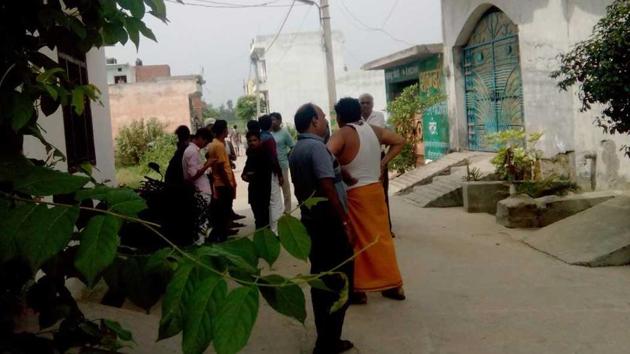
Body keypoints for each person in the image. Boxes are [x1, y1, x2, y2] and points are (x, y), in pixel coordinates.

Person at [290, 103, 355, 354]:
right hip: (330, 225)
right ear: (314, 122)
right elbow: (327, 187)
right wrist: (345, 223)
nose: (327, 121)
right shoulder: (316, 148)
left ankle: (325, 339)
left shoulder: (298, 149)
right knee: (341, 281)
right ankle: (329, 341)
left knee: (321, 280)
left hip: (312, 222)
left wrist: (345, 176)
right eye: (324, 117)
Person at [328, 97, 405, 304]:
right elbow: (399, 140)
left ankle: (358, 289)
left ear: (340, 117)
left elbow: (325, 155)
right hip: (375, 192)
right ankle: (392, 284)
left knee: (357, 242)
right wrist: (383, 162)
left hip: (355, 194)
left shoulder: (343, 133)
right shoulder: (374, 130)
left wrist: (342, 171)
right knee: (382, 239)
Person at [360, 93, 395, 237]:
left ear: (372, 104)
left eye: (367, 102)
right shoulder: (356, 118)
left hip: (378, 157)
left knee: (382, 193)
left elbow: (381, 135)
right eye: (362, 103)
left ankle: (387, 227)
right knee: (365, 193)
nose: (365, 105)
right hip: (362, 158)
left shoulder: (379, 116)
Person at [182, 128, 215, 243]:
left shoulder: (194, 151)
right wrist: (207, 165)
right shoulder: (192, 152)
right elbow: (193, 175)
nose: (205, 145)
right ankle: (200, 244)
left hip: (202, 190)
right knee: (202, 221)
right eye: (205, 141)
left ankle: (201, 242)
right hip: (200, 191)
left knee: (203, 220)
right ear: (200, 138)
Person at [207, 120, 238, 242]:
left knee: (223, 211)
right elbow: (220, 166)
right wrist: (228, 184)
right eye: (226, 128)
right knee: (224, 211)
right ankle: (222, 235)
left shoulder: (215, 143)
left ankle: (222, 233)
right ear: (224, 130)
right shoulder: (218, 145)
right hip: (222, 183)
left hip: (220, 182)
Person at [258, 115, 284, 234]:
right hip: (271, 172)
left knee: (268, 201)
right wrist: (279, 174)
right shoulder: (269, 138)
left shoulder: (259, 137)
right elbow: (274, 158)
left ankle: (271, 228)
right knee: (275, 201)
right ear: (270, 124)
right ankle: (276, 230)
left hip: (261, 173)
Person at [242, 130, 272, 229]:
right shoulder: (250, 154)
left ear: (259, 141)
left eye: (254, 140)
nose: (252, 143)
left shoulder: (265, 153)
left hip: (263, 191)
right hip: (253, 191)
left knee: (264, 218)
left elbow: (264, 172)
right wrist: (246, 175)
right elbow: (245, 172)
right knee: (258, 219)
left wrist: (251, 175)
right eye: (250, 141)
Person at [270, 112, 295, 213]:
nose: (273, 122)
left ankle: (287, 210)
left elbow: (292, 146)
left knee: (285, 188)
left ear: (280, 121)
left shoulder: (284, 132)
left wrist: (288, 156)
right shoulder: (269, 133)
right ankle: (277, 211)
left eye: (274, 119)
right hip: (272, 165)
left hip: (282, 164)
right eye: (271, 120)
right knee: (275, 190)